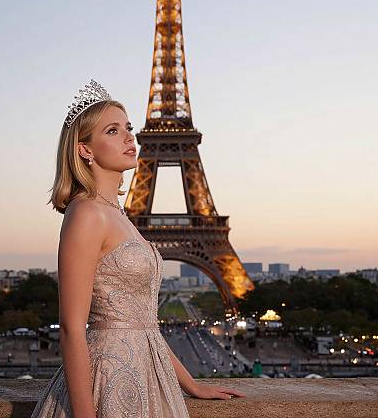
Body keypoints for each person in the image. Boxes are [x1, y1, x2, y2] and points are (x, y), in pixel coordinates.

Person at [31, 79, 246, 417]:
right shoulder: (86, 213)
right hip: (107, 379)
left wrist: (191, 384)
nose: (130, 137)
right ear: (85, 149)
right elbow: (72, 329)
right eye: (112, 131)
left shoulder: (119, 215)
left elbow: (144, 326)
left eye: (128, 127)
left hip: (148, 376)